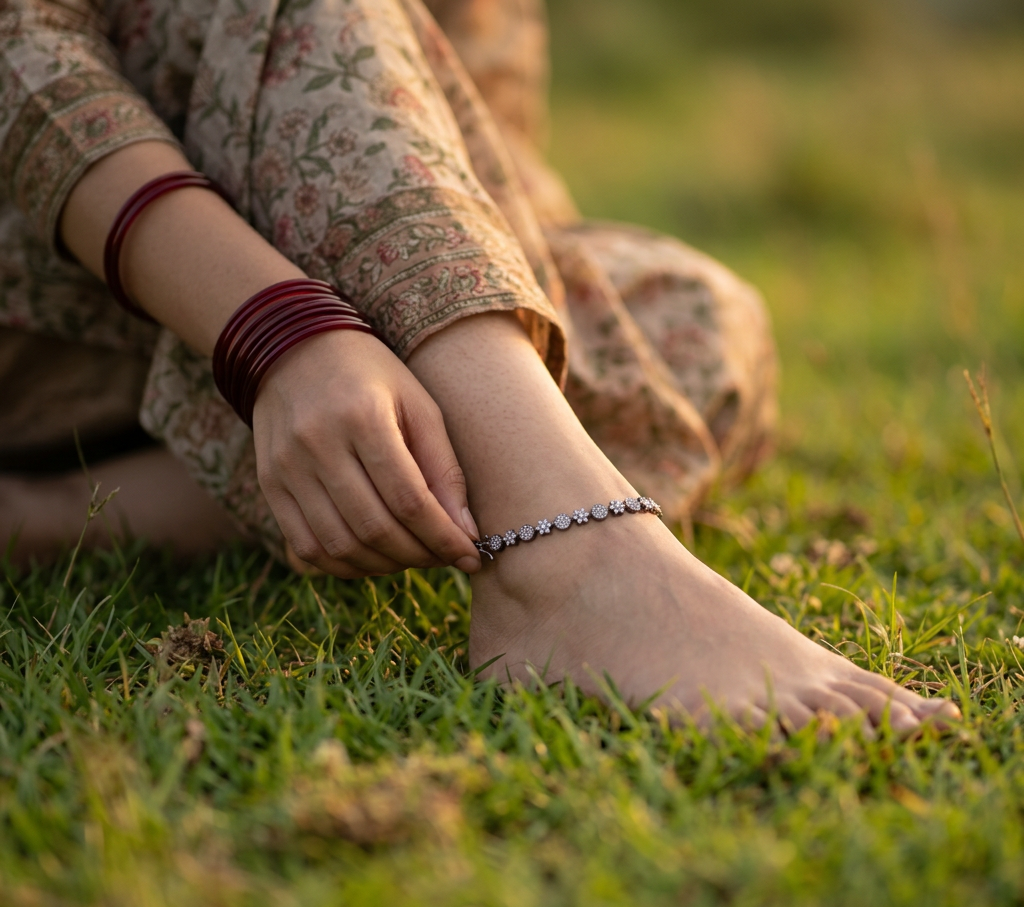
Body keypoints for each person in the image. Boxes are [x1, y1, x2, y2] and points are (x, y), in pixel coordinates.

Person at [0, 0, 958, 730]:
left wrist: (428, 304)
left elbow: (478, 154)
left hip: (249, 344)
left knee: (700, 317)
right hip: (72, 282)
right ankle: (570, 554)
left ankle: (53, 517)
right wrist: (281, 328)